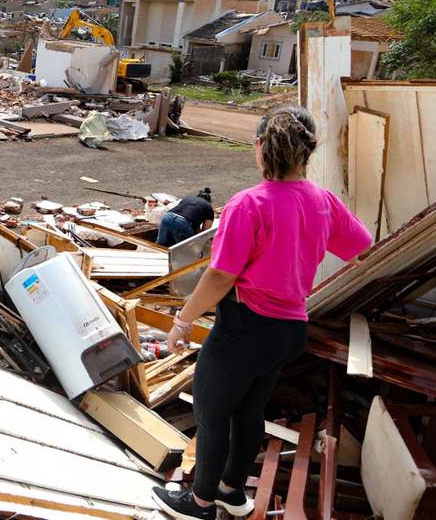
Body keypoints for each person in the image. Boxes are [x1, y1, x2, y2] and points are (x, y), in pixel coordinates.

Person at [151, 106, 372, 520]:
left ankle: (198, 504)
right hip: (289, 333)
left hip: (245, 330)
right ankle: (232, 493)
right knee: (248, 414)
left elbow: (220, 277)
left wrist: (182, 321)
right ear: (307, 151)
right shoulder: (323, 201)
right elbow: (361, 249)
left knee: (212, 415)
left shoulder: (249, 204)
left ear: (260, 146)